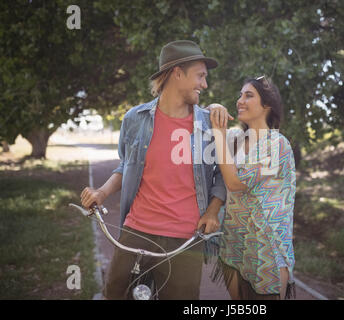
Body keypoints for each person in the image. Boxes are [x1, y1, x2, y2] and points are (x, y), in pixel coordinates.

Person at [80, 40, 232, 300]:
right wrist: (102, 193)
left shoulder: (210, 124)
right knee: (115, 294)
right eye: (200, 76)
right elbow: (125, 165)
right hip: (136, 231)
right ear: (177, 73)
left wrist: (213, 211)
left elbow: (222, 174)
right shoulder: (134, 119)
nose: (205, 85)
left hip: (185, 240)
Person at [209, 76, 296, 300]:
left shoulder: (277, 144)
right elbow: (203, 125)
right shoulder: (236, 139)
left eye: (248, 95)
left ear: (267, 105)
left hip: (266, 250)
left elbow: (235, 184)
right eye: (240, 95)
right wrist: (215, 107)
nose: (240, 100)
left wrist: (219, 132)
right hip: (234, 244)